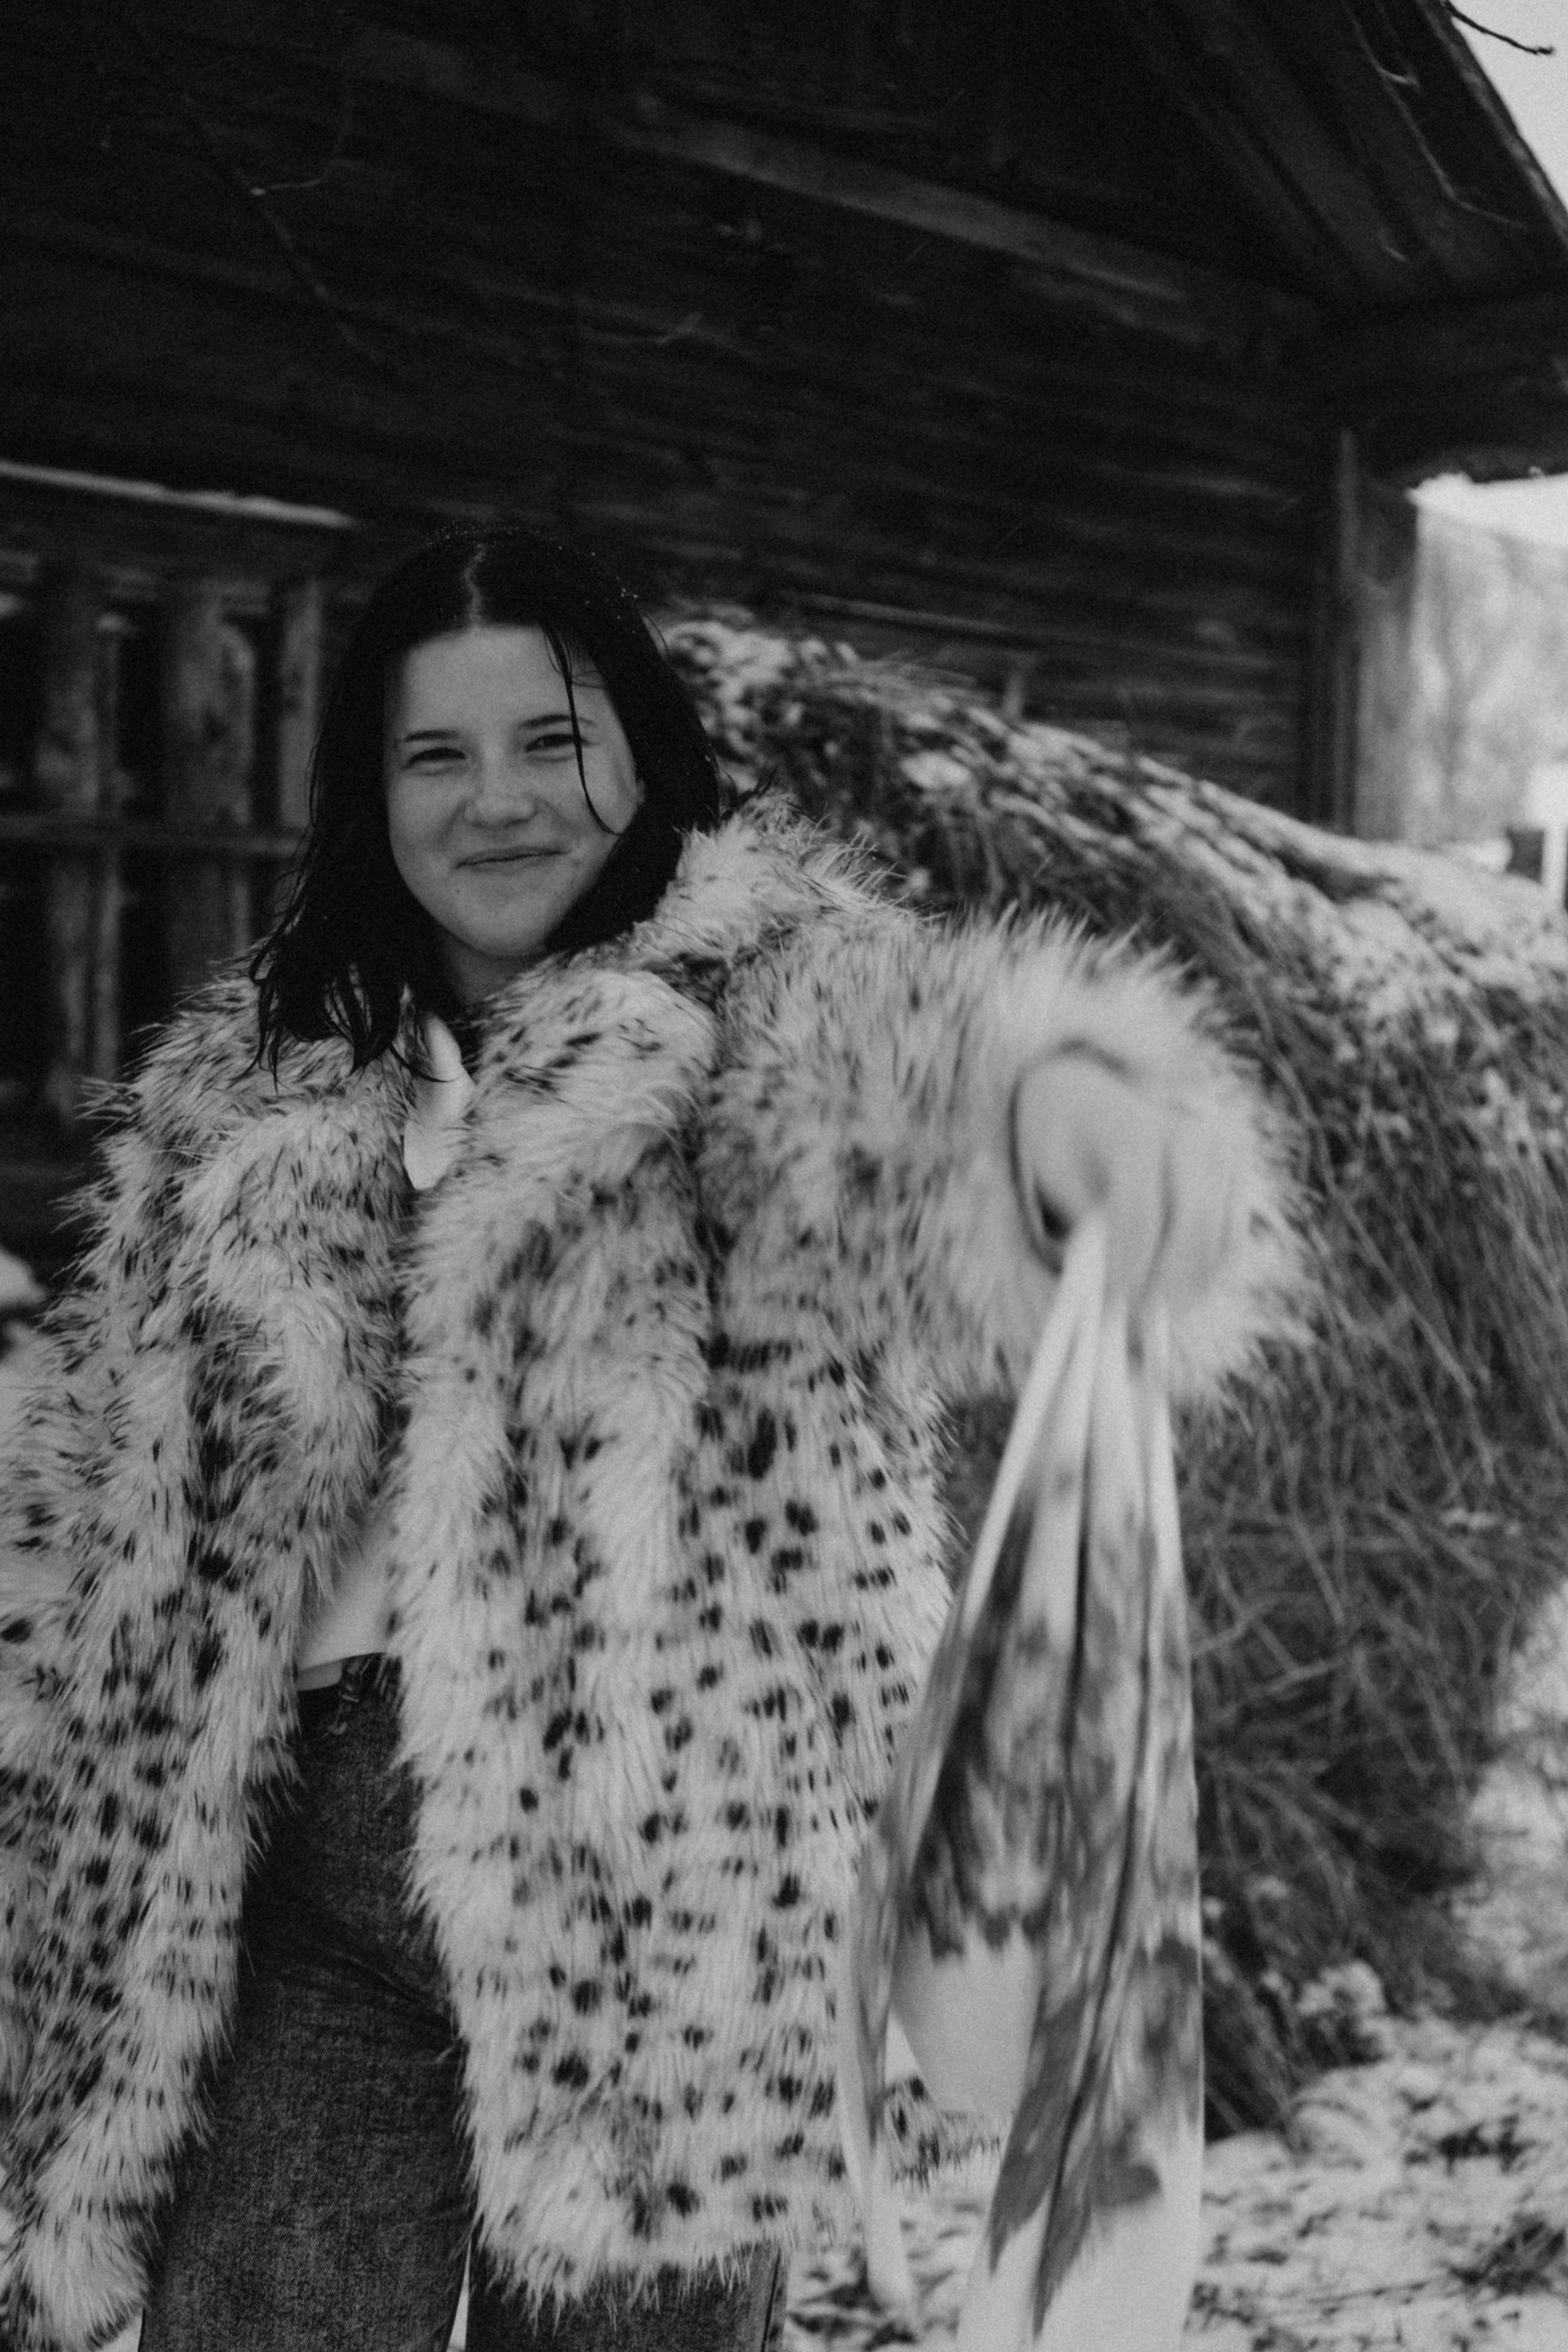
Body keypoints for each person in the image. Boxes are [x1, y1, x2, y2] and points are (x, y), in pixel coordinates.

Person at [0, 527, 1297, 2352]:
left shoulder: (759, 1006)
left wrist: (1083, 1126)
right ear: (371, 793)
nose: (500, 800)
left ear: (641, 749)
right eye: (435, 755)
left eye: (554, 738)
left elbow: (940, 1085)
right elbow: (91, 1537)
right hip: (287, 1881)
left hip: (664, 1894)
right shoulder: (251, 1090)